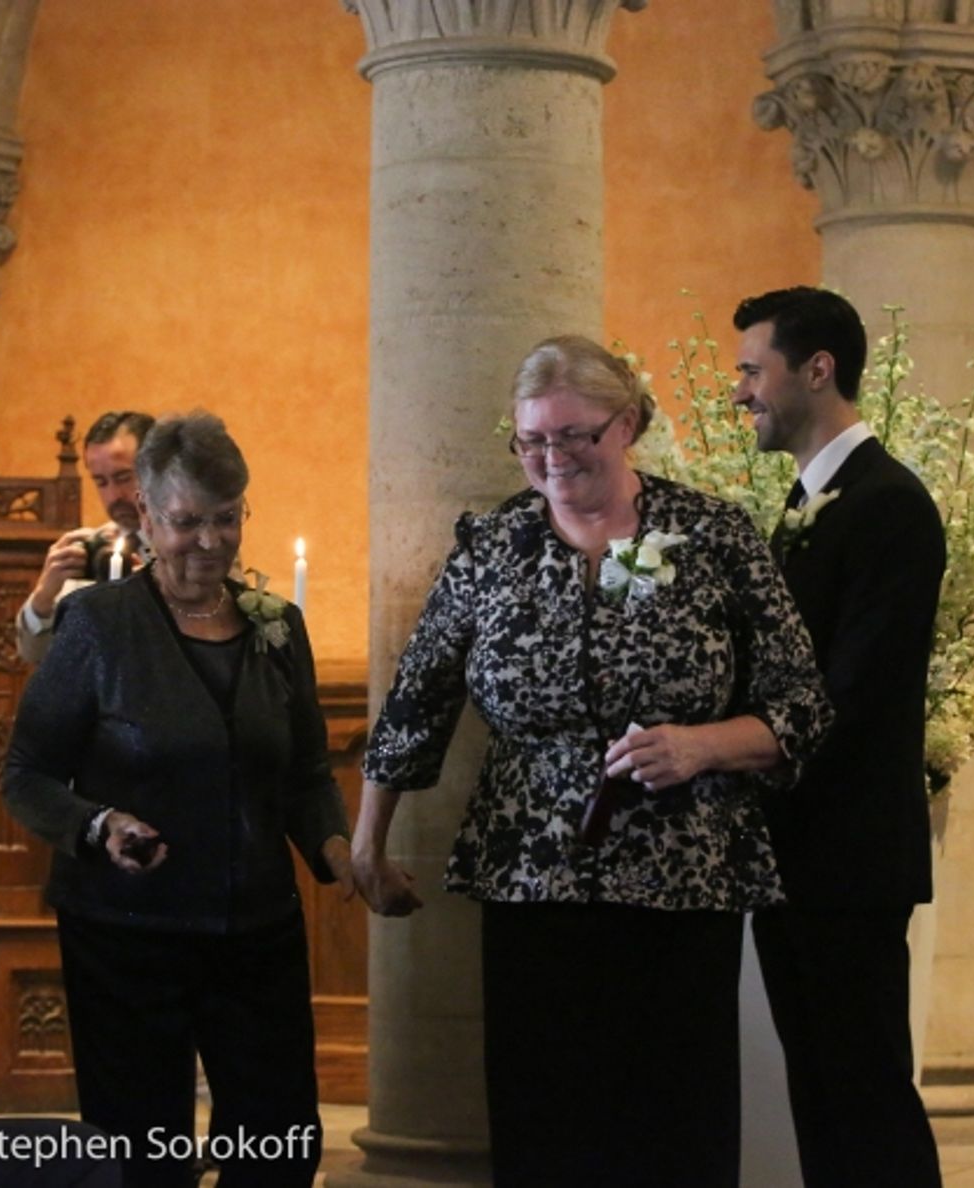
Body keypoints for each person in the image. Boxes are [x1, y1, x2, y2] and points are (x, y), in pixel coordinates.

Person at [351, 334, 831, 1188]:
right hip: (531, 873)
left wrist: (701, 745)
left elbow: (802, 704)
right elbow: (418, 698)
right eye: (532, 440)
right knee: (547, 1120)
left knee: (674, 1125)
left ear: (629, 424)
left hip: (683, 872)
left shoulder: (713, 534)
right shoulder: (494, 546)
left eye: (575, 435)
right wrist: (368, 842)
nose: (552, 457)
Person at [2, 412, 353, 1188]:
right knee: (145, 1159)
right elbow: (25, 774)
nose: (211, 541)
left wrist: (339, 851)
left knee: (281, 1149)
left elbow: (305, 775)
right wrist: (99, 824)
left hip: (257, 930)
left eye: (227, 518)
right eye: (189, 521)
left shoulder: (277, 628)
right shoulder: (97, 623)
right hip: (128, 937)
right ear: (149, 515)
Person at [731, 286, 945, 1188]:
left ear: (817, 370)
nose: (740, 390)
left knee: (866, 1097)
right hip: (795, 850)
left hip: (850, 854)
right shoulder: (806, 500)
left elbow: (854, 694)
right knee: (820, 1095)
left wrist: (731, 746)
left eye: (754, 369)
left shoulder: (889, 503)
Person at [17, 411, 156, 665]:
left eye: (123, 478)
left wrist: (162, 593)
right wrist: (43, 597)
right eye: (101, 482)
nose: (113, 496)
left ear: (158, 470)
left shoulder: (195, 547)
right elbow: (34, 654)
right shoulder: (93, 553)